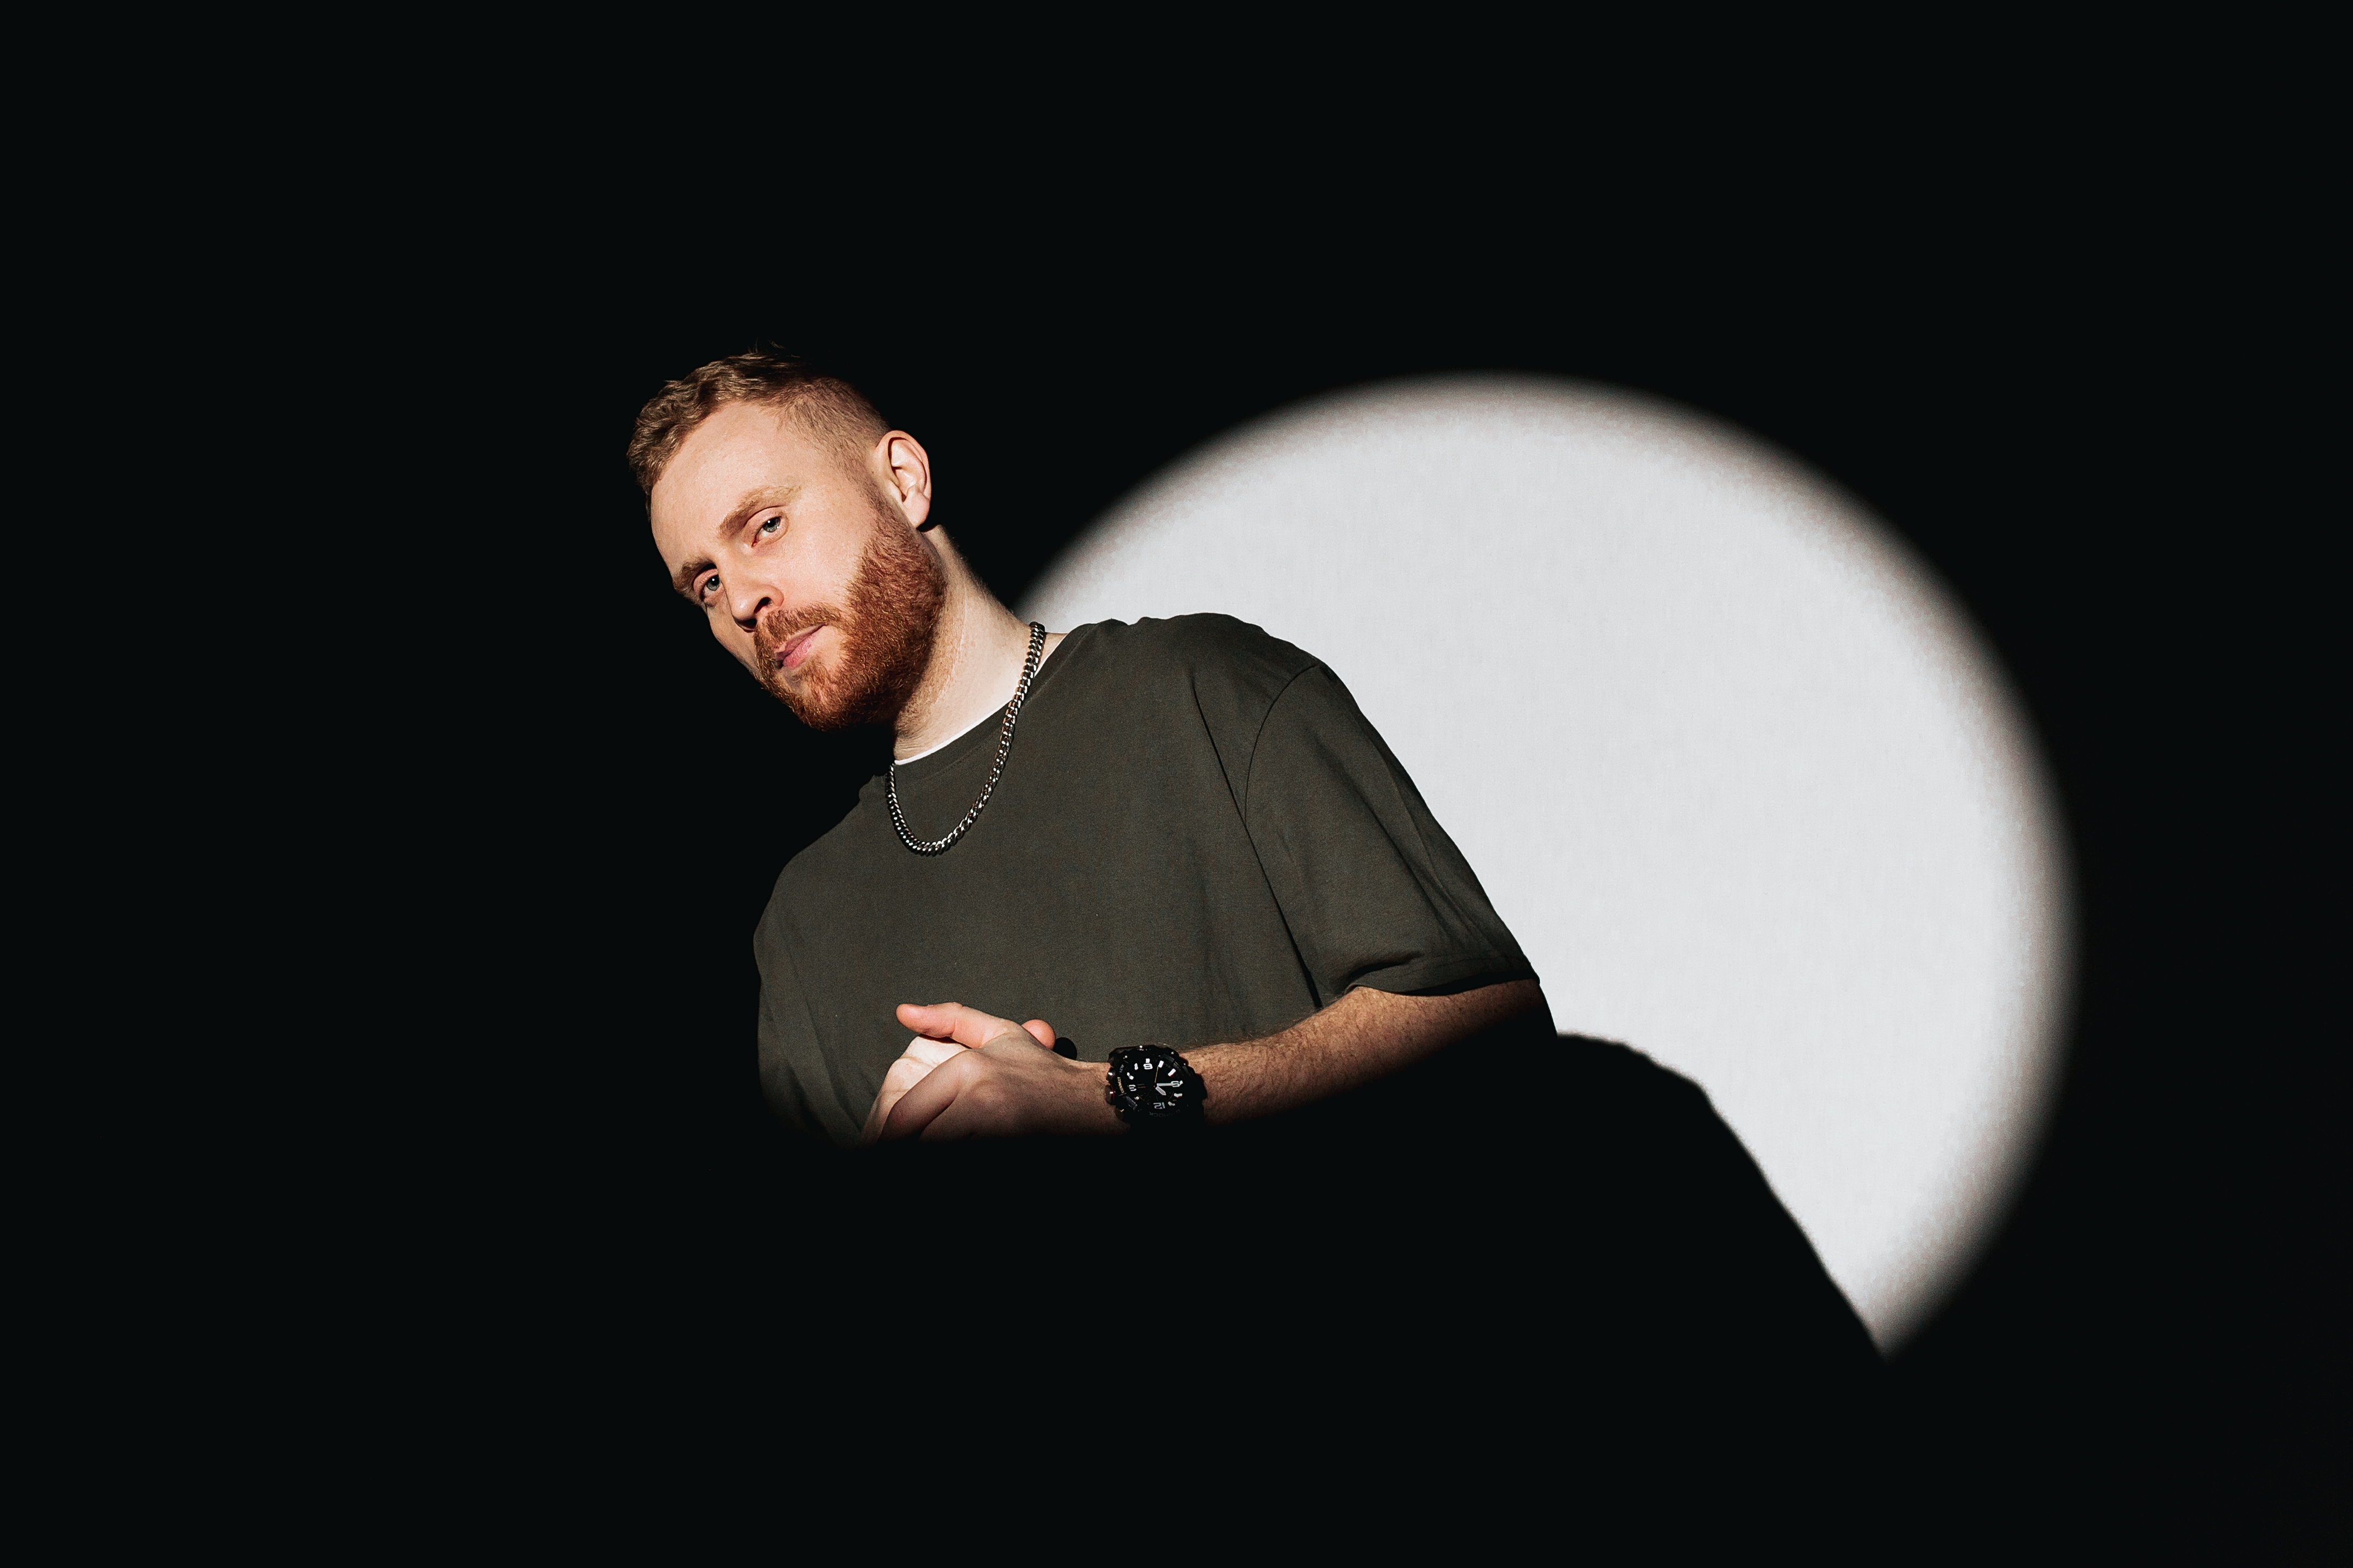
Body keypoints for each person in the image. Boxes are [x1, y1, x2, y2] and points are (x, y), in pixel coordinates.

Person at [632, 349, 1549, 1150]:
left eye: (765, 526)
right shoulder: (801, 925)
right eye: (704, 584)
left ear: (903, 481)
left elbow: (1496, 1027)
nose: (742, 602)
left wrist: (1114, 1099)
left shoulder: (1204, 687)